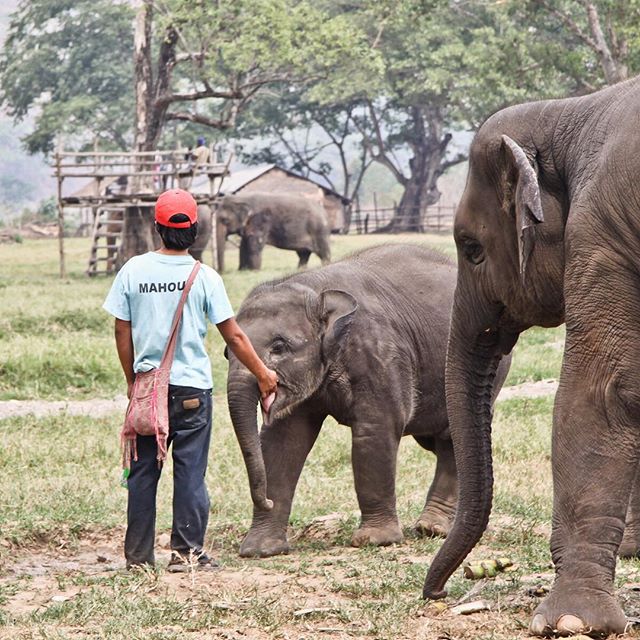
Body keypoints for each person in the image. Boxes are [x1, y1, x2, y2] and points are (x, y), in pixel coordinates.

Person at [102, 188, 278, 572]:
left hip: (148, 389)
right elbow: (234, 336)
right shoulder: (205, 277)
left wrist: (134, 382)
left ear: (157, 228)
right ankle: (186, 554)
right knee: (190, 473)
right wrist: (264, 375)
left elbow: (121, 330)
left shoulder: (133, 270)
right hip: (192, 392)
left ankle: (137, 559)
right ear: (195, 229)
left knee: (143, 472)